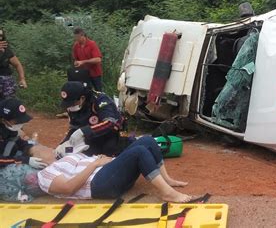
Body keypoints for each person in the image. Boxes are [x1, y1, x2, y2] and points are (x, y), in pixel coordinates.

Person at [36, 136, 194, 202]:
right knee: (138, 152)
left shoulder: (62, 157)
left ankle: (167, 180)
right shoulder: (45, 172)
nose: (47, 148)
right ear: (38, 159)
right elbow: (68, 188)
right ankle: (167, 193)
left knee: (147, 140)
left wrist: (104, 160)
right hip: (99, 185)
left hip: (107, 173)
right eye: (41, 149)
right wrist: (94, 164)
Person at [55, 81, 122, 157]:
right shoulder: (71, 107)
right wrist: (63, 144)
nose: (70, 106)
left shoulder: (100, 100)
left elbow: (110, 123)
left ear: (82, 98)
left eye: (72, 103)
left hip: (108, 134)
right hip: (89, 136)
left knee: (107, 154)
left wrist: (83, 131)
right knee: (69, 152)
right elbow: (74, 128)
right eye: (68, 104)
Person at [0, 98, 46, 169]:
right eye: (16, 122)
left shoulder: (6, 127)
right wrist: (24, 160)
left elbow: (17, 141)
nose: (20, 124)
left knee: (13, 146)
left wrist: (30, 147)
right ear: (4, 119)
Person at [72, 28, 103, 92]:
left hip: (95, 73)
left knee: (98, 92)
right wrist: (76, 63)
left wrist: (83, 62)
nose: (76, 39)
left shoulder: (92, 44)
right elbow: (76, 60)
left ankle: (101, 101)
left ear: (83, 36)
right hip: (84, 74)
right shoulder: (76, 46)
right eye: (75, 37)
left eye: (77, 37)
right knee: (86, 91)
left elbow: (98, 59)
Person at [0, 28, 27, 100]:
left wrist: (22, 79)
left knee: (9, 104)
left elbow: (18, 65)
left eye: (1, 36)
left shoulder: (6, 50)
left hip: (6, 82)